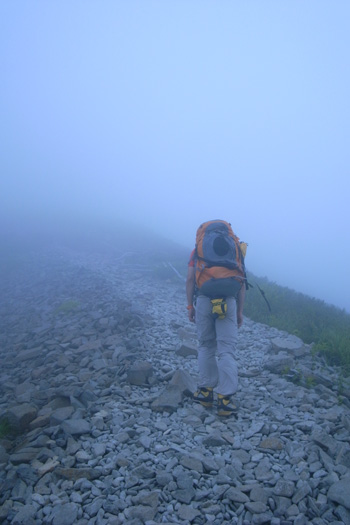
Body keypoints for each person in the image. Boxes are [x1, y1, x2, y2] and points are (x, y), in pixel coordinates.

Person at [186, 220, 246, 417]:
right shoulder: (235, 249)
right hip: (228, 300)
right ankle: (225, 400)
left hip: (204, 299)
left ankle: (205, 392)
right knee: (226, 351)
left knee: (205, 346)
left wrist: (189, 305)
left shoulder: (198, 251)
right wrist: (239, 311)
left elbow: (189, 279)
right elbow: (242, 282)